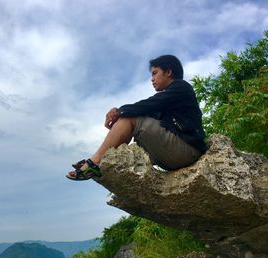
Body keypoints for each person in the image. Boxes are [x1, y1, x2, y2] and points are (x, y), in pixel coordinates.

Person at [66, 55, 207, 181]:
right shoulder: (170, 99)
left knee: (129, 118)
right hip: (174, 156)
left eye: (155, 73)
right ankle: (102, 160)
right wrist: (120, 114)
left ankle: (95, 162)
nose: (152, 79)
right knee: (129, 119)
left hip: (186, 150)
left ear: (168, 72)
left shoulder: (181, 87)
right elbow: (146, 110)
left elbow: (150, 104)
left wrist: (119, 111)